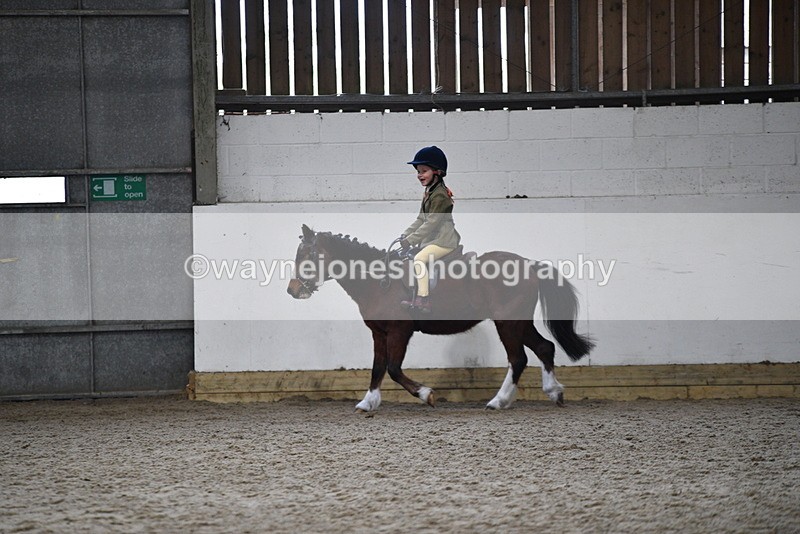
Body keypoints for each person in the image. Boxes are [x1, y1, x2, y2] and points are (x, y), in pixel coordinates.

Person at [398, 146, 461, 313]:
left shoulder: (440, 195)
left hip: (444, 241)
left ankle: (423, 299)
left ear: (437, 172)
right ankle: (412, 292)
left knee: (419, 260)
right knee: (407, 258)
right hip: (432, 239)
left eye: (424, 171)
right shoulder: (429, 192)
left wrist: (410, 240)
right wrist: (405, 235)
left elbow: (432, 223)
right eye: (418, 171)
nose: (419, 175)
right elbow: (421, 219)